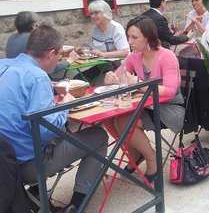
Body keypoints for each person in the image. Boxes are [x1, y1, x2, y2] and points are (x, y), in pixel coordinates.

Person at [0, 24, 108, 213]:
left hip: (5, 163)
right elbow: (46, 131)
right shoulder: (37, 77)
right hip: (25, 165)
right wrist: (64, 105)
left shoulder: (5, 65)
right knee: (98, 135)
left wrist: (51, 86)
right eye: (59, 56)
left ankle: (36, 194)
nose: (58, 61)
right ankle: (78, 203)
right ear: (51, 53)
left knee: (69, 131)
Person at [104, 16, 185, 183]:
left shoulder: (166, 56)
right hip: (147, 104)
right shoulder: (135, 56)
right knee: (109, 119)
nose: (130, 42)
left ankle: (151, 158)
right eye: (128, 37)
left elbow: (170, 91)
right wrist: (111, 77)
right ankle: (135, 153)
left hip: (169, 107)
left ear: (147, 37)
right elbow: (120, 75)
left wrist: (139, 83)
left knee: (125, 120)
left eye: (134, 37)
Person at [5, 11, 78, 80]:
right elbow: (49, 67)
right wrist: (69, 61)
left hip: (14, 76)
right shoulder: (34, 39)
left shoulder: (11, 38)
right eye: (38, 23)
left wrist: (61, 51)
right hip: (32, 78)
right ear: (34, 25)